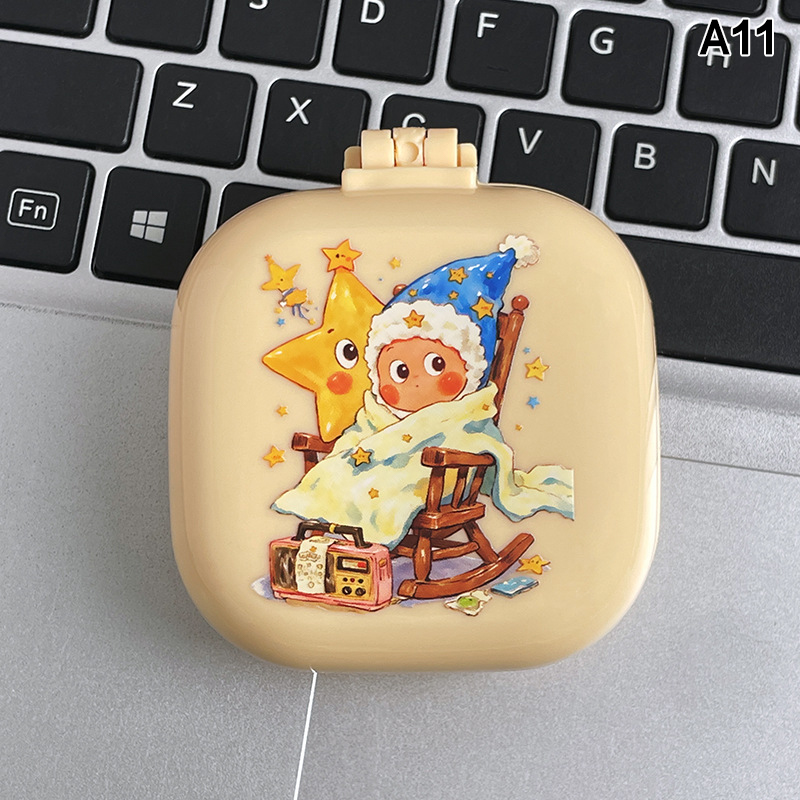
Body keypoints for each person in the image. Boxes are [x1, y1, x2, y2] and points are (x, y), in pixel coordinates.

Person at [271, 235, 574, 548]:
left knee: (389, 490)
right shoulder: (377, 414)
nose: (415, 380)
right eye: (400, 371)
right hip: (369, 474)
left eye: (436, 365)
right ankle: (337, 542)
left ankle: (369, 537)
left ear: (470, 370)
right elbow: (355, 441)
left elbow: (484, 445)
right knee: (335, 475)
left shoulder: (466, 416)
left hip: (433, 479)